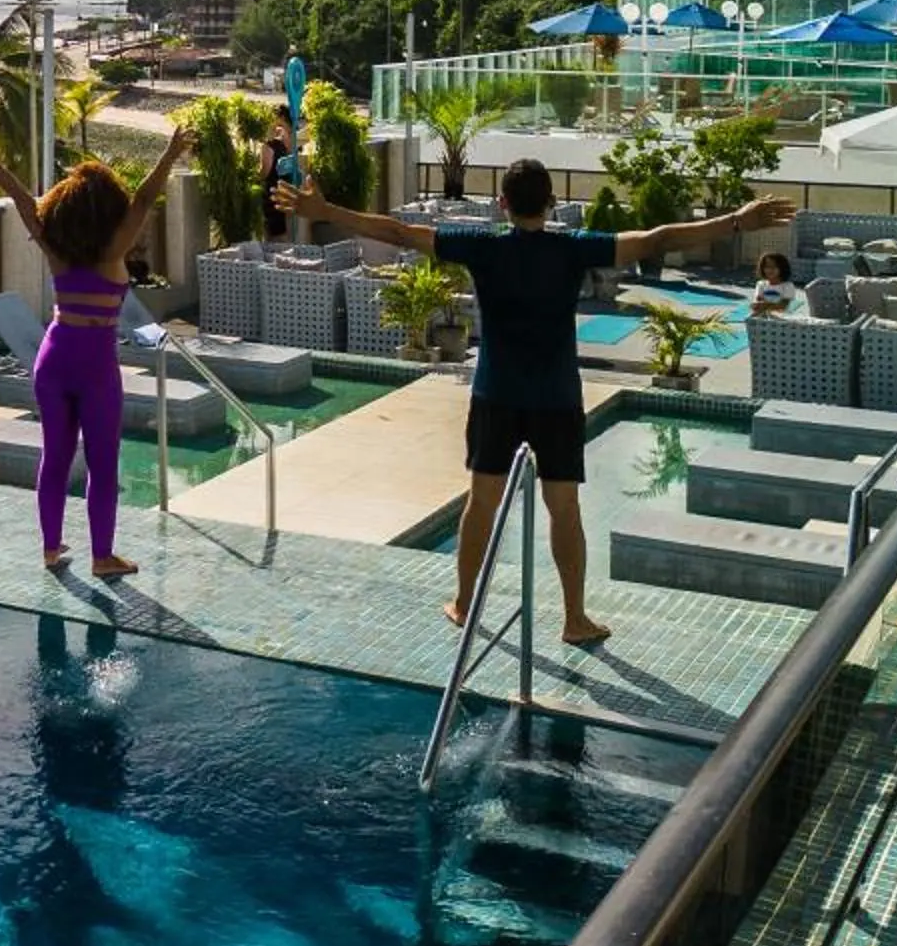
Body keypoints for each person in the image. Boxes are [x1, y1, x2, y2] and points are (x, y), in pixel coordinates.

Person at [279, 158, 793, 645]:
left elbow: (395, 232)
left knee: (481, 501)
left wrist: (325, 213)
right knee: (563, 509)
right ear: (550, 202)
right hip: (556, 399)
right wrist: (736, 221)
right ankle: (573, 618)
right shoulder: (572, 249)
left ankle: (463, 602)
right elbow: (657, 239)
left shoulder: (482, 246)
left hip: (496, 395)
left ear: (502, 203)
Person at [0, 116, 193, 578]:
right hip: (94, 363)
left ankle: (50, 548)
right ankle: (102, 556)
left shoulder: (55, 245)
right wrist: (168, 154)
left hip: (54, 355)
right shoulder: (113, 250)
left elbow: (21, 198)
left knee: (56, 455)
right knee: (102, 464)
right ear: (109, 210)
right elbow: (145, 197)